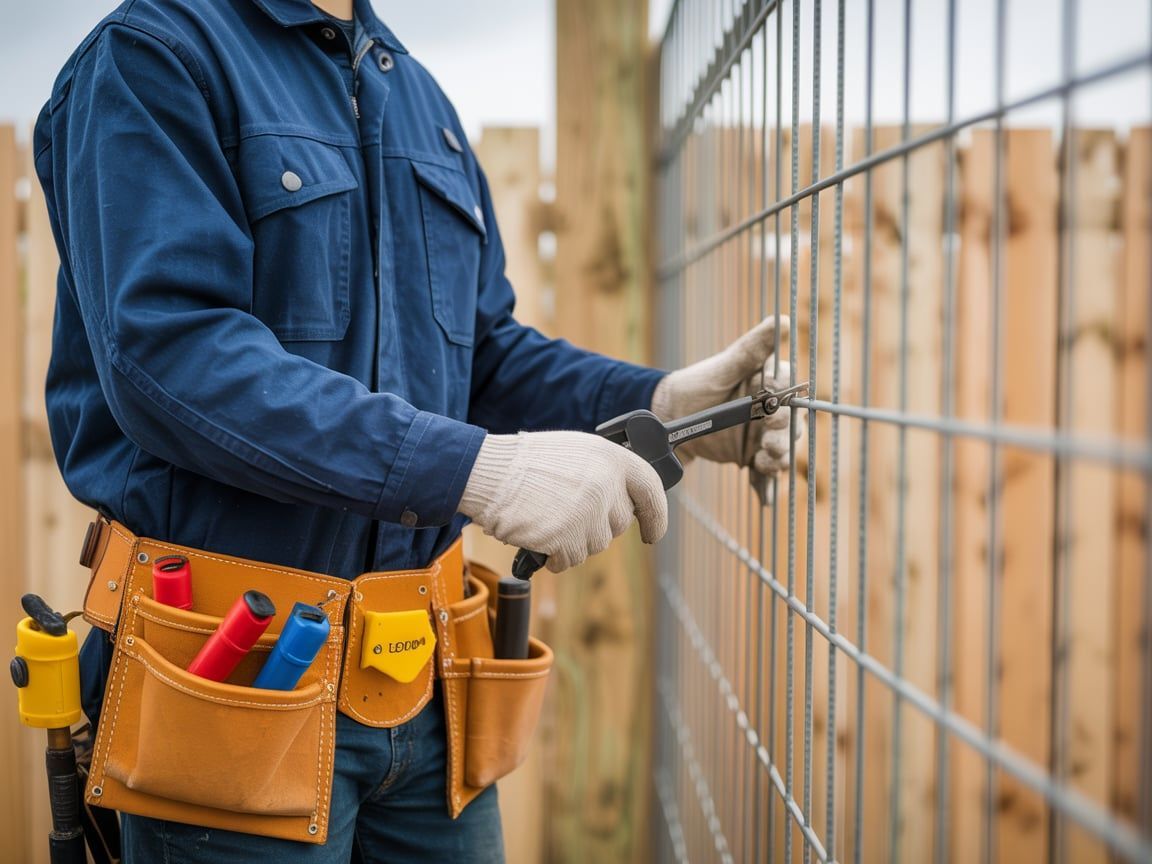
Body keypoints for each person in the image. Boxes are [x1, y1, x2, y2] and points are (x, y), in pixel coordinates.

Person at [33, 0, 803, 860]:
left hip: (426, 692)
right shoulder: (154, 58)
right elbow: (173, 358)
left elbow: (482, 355)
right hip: (233, 683)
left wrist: (662, 404)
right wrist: (474, 471)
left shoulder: (417, 98)